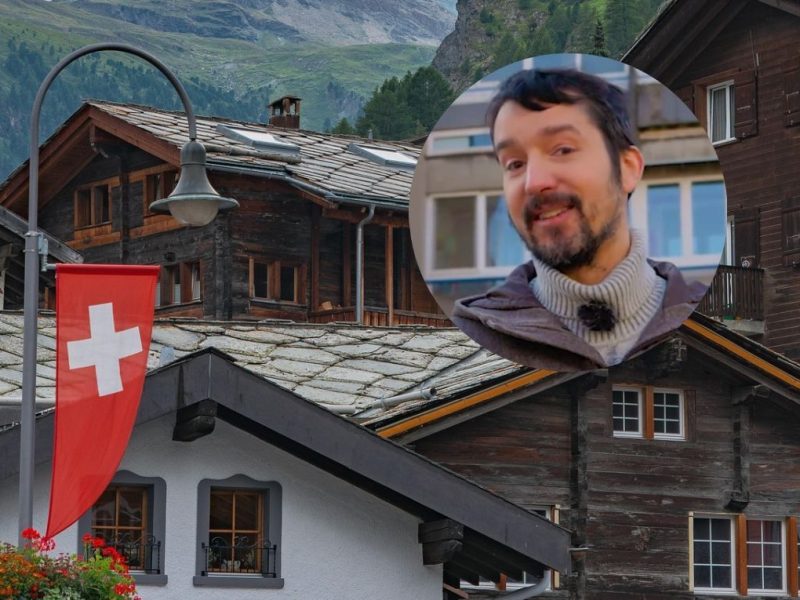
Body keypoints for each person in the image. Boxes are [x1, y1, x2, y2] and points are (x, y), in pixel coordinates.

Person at [452, 68, 708, 371]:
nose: (534, 182)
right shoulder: (475, 330)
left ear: (627, 168)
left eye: (563, 149)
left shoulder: (704, 321)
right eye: (515, 163)